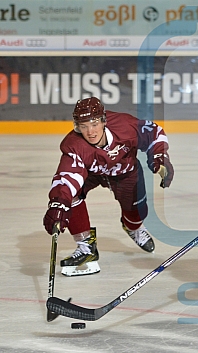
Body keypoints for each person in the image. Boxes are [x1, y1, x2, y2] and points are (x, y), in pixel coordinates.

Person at [43, 97, 174, 276]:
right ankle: (86, 248)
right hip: (91, 174)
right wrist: (58, 202)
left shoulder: (125, 126)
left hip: (126, 173)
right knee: (70, 197)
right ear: (77, 126)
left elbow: (153, 132)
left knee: (136, 215)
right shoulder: (73, 145)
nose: (90, 131)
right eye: (83, 125)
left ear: (104, 120)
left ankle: (133, 228)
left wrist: (159, 156)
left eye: (94, 123)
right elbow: (67, 176)